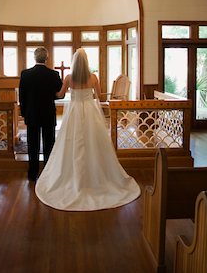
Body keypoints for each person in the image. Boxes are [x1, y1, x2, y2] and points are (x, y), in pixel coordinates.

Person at [35, 48, 141, 211]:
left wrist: (44, 92)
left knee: (72, 142)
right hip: (91, 112)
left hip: (74, 112)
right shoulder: (93, 78)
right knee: (94, 141)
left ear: (74, 62)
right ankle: (96, 176)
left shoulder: (69, 78)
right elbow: (99, 96)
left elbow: (59, 94)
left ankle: (73, 177)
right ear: (86, 62)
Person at [19, 47, 63, 181]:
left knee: (33, 144)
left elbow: (22, 96)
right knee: (49, 144)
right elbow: (60, 95)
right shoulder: (53, 74)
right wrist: (49, 96)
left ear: (34, 58)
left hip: (32, 114)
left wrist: (24, 113)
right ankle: (48, 174)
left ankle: (32, 174)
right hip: (48, 114)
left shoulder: (25, 74)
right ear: (46, 58)